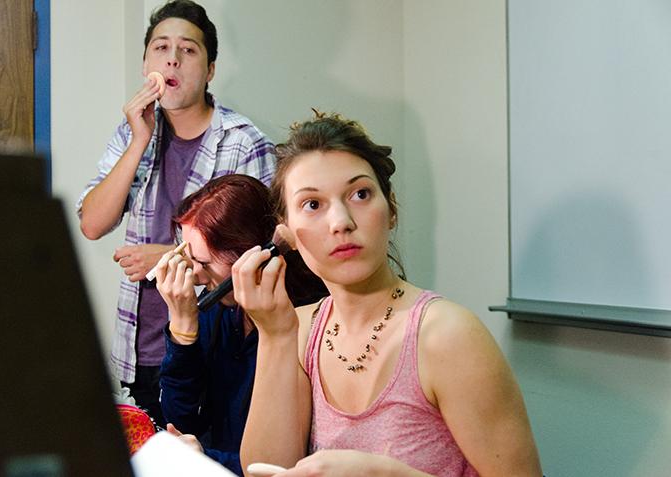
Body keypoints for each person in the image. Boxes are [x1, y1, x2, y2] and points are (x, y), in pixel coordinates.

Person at [232, 113, 543, 476]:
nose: (341, 221)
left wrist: (388, 474)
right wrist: (275, 335)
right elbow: (268, 470)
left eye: (360, 194)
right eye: (313, 205)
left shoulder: (446, 336)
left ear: (391, 210)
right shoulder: (299, 329)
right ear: (288, 237)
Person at [75, 0, 275, 426]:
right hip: (141, 345)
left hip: (215, 345)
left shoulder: (245, 141)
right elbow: (92, 223)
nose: (172, 58)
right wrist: (137, 140)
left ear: (210, 69)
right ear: (146, 61)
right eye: (161, 48)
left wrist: (168, 255)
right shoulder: (133, 133)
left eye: (188, 50)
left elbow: (266, 252)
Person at [153, 174, 326, 476]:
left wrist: (208, 457)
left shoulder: (308, 323)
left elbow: (292, 460)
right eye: (187, 257)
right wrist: (182, 331)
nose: (194, 275)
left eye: (203, 263)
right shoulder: (218, 309)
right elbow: (180, 421)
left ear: (251, 257)